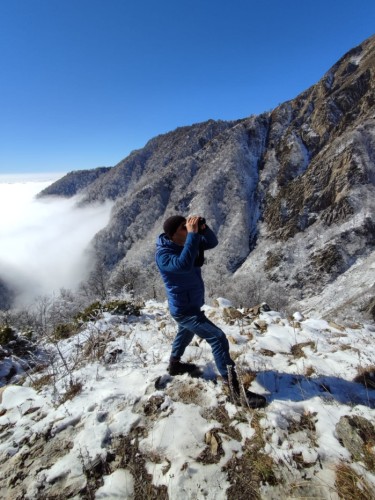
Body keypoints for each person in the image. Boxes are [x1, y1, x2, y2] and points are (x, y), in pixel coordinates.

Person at [155, 214, 266, 409]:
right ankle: (234, 391)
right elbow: (183, 264)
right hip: (183, 309)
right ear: (173, 235)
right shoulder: (164, 255)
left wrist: (202, 229)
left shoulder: (188, 241)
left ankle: (174, 364)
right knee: (217, 337)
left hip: (190, 304)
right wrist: (192, 236)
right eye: (184, 227)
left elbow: (212, 242)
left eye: (187, 225)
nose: (188, 228)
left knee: (185, 332)